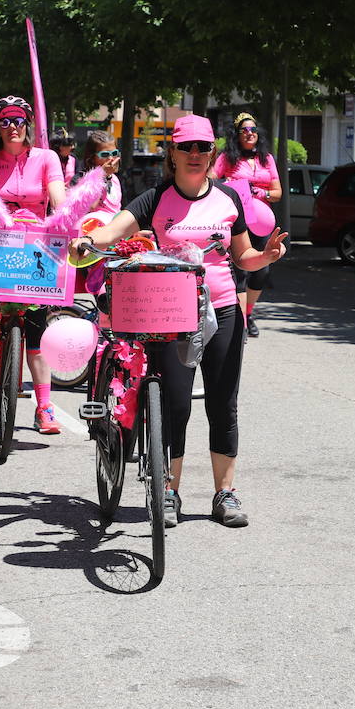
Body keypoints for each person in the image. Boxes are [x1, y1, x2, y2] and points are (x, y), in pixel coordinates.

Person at [74, 115, 286, 528]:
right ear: (172, 152)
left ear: (212, 153)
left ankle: (225, 493)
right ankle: (168, 491)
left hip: (223, 308)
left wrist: (266, 258)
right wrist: (88, 240)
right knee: (175, 404)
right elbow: (114, 231)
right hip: (169, 312)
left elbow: (242, 257)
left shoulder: (228, 199)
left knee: (223, 403)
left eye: (202, 148)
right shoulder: (155, 198)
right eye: (186, 147)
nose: (194, 155)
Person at [0, 95, 67, 434]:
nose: (13, 127)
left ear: (27, 124)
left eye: (18, 120)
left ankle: (44, 407)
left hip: (35, 243)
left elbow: (58, 198)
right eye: (5, 121)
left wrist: (66, 221)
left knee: (36, 333)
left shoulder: (47, 158)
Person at [213, 112, 282, 338]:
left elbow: (278, 192)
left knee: (262, 269)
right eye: (245, 130)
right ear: (237, 135)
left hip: (262, 221)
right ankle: (240, 324)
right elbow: (212, 179)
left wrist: (263, 192)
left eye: (253, 129)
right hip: (239, 218)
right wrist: (230, 184)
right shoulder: (227, 157)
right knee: (241, 270)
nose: (250, 133)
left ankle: (249, 313)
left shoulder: (267, 158)